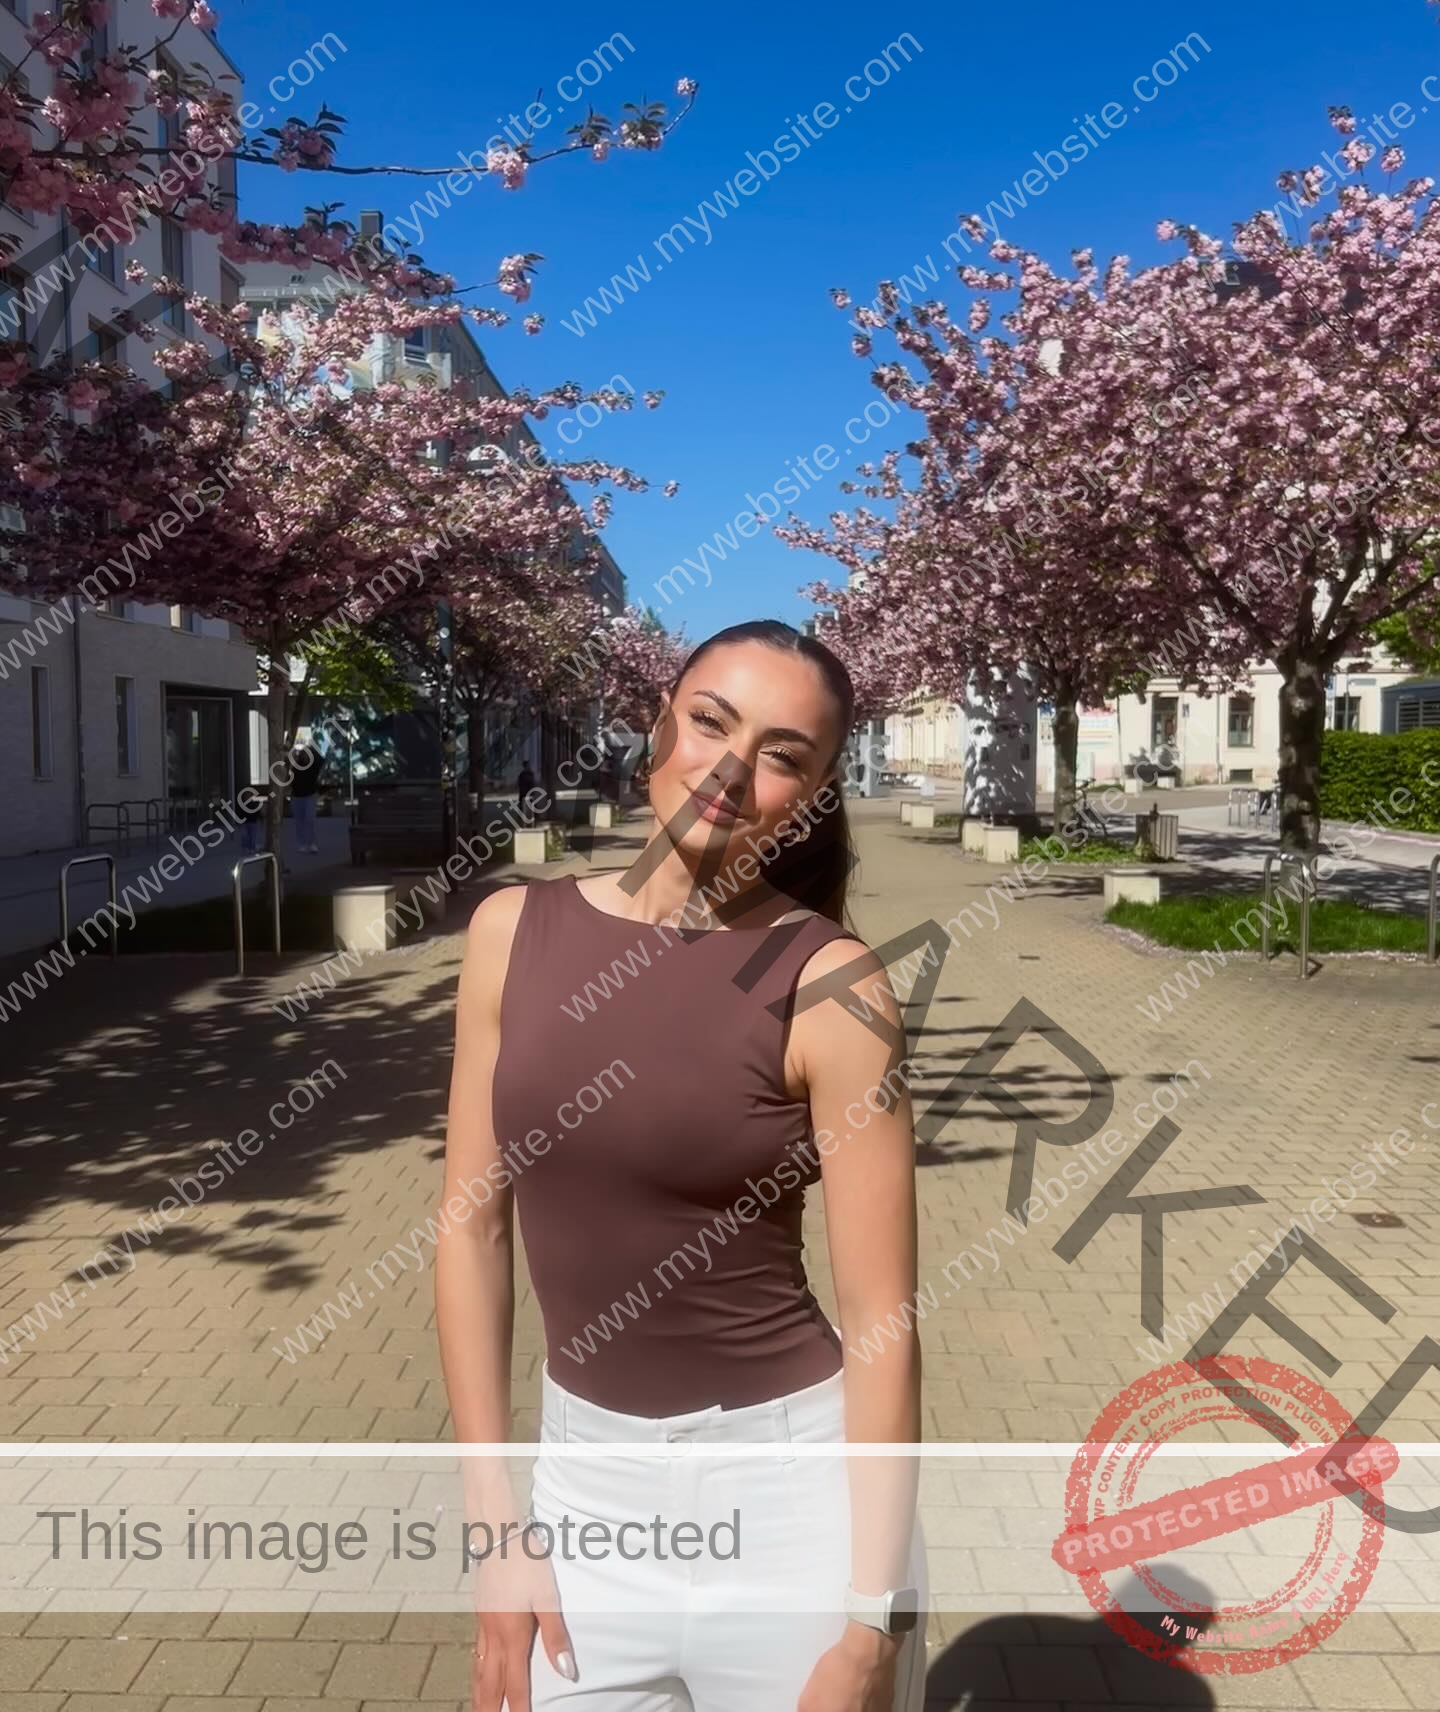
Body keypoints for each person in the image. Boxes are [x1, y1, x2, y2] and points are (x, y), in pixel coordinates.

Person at [436, 620, 926, 1712]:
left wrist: (869, 1620)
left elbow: (884, 1314)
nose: (732, 767)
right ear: (661, 718)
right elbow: (469, 1225)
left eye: (784, 753)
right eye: (711, 719)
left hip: (791, 1510)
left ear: (810, 795)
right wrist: (494, 1523)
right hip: (582, 1495)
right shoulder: (512, 930)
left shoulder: (834, 983)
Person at [288, 738, 325, 854]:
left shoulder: (313, 766)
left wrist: (313, 748)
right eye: (303, 754)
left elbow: (321, 760)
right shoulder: (296, 765)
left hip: (309, 795)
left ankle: (311, 843)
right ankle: (302, 843)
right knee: (299, 821)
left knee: (309, 819)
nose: (305, 757)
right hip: (297, 795)